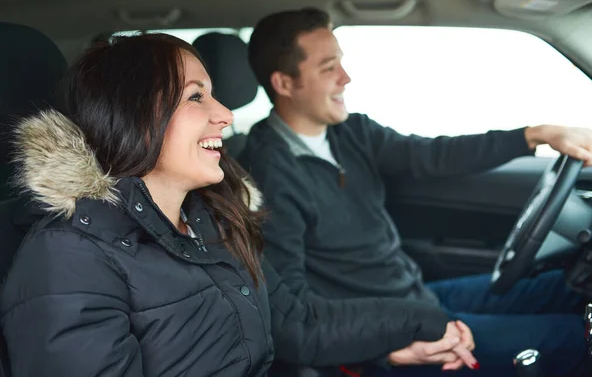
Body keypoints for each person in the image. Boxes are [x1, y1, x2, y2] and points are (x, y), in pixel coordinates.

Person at [0, 32, 477, 377]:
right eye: (195, 97)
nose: (224, 115)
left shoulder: (212, 219)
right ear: (132, 116)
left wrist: (404, 338)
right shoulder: (67, 257)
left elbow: (293, 325)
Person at [238, 7, 592, 377]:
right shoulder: (268, 176)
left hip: (415, 295)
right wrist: (381, 348)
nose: (346, 78)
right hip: (387, 332)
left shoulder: (351, 132)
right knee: (576, 338)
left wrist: (535, 134)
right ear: (284, 84)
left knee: (571, 287)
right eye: (329, 67)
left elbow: (432, 155)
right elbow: (292, 308)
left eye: (341, 63)